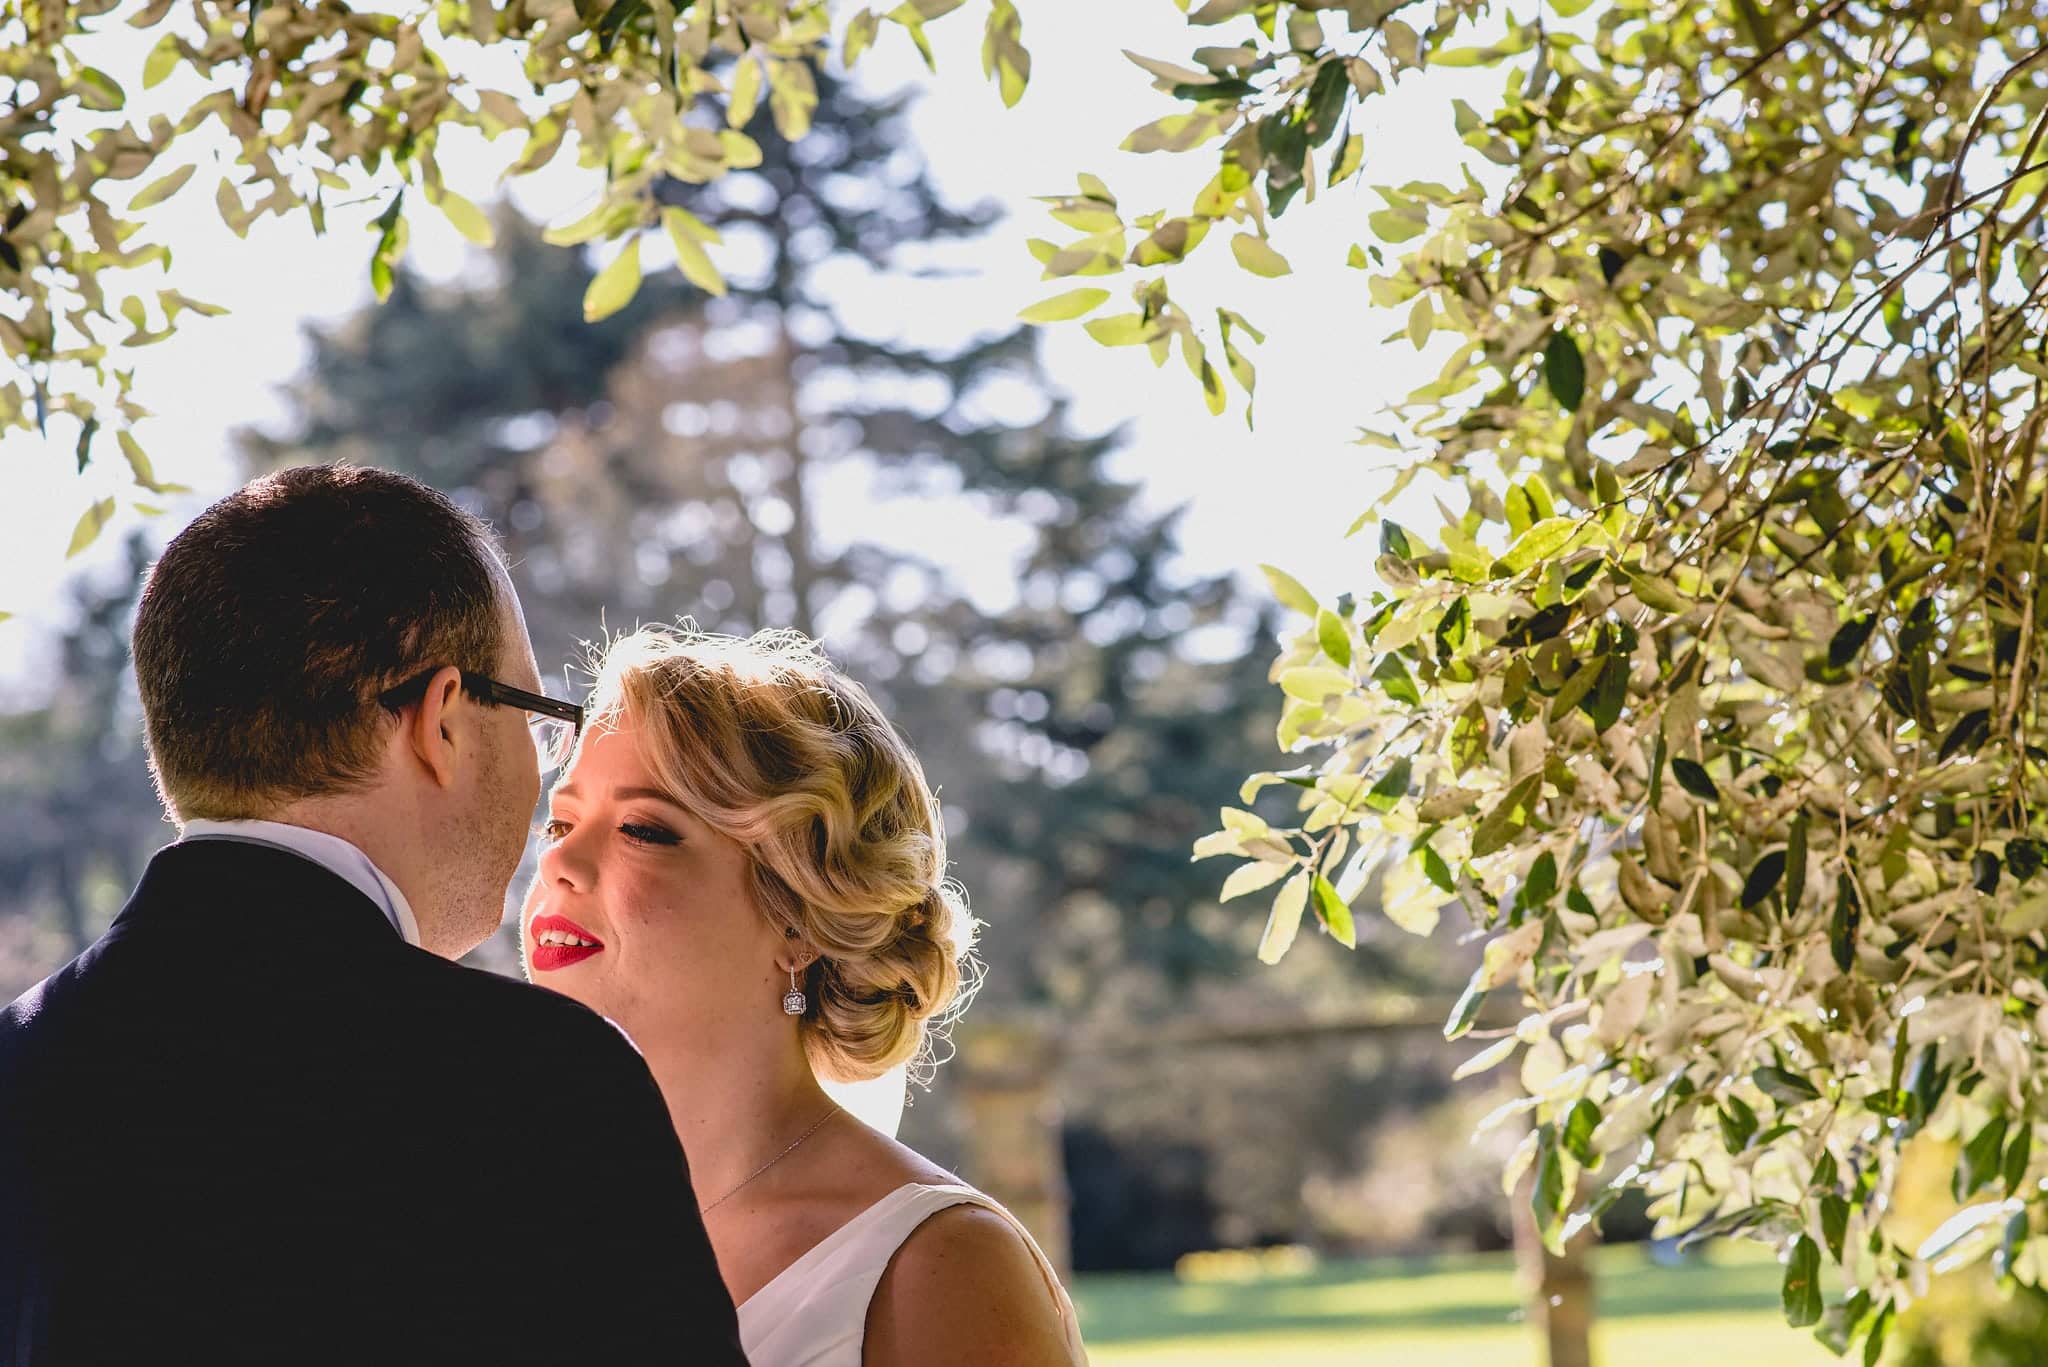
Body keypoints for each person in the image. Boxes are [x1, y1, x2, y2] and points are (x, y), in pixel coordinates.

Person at [0, 467, 745, 1366]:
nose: (540, 771)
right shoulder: (537, 1084)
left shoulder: (19, 1075)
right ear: (442, 721)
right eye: (538, 716)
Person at [521, 625, 1087, 1366]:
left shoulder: (939, 1268)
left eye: (642, 829)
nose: (558, 857)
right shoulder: (508, 1222)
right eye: (561, 820)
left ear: (798, 919)